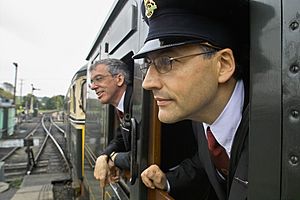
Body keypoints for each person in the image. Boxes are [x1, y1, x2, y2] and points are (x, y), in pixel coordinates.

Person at [133, 0, 249, 199]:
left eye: (165, 62)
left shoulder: (276, 132)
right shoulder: (202, 119)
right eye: (148, 64)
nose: (147, 83)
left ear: (222, 65)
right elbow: (203, 162)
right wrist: (167, 181)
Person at [89, 58, 133, 188]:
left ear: (119, 79)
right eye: (92, 81)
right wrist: (103, 156)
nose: (93, 86)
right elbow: (120, 138)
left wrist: (113, 158)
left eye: (99, 78)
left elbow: (142, 157)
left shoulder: (136, 104)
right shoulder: (121, 106)